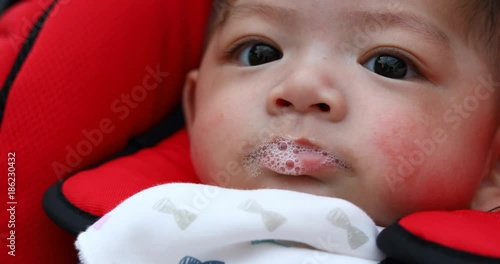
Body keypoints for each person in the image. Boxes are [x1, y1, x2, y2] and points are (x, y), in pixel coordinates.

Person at [75, 0, 500, 263]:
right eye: (260, 53)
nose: (300, 89)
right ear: (194, 107)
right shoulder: (140, 230)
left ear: (493, 164)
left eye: (388, 64)